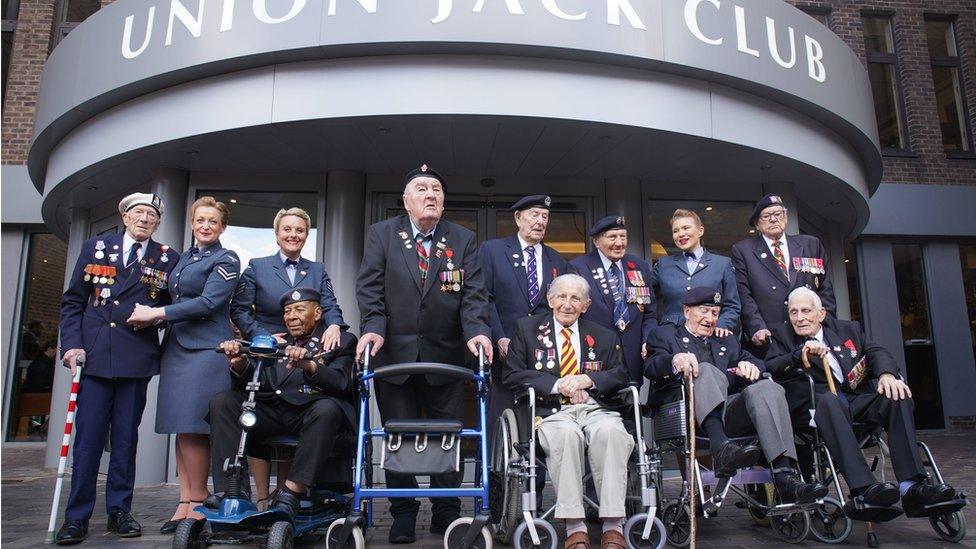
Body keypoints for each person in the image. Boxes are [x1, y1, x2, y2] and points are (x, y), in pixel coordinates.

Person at [356, 163, 492, 544]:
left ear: (444, 202)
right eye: (421, 188)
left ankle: (446, 510)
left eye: (436, 189)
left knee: (446, 434)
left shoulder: (463, 239)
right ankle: (402, 511)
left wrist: (478, 333)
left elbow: (474, 296)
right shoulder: (382, 234)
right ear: (406, 200)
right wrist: (372, 329)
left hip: (446, 356)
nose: (430, 194)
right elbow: (370, 290)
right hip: (393, 355)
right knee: (398, 433)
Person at [765, 287, 957, 517]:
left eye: (806, 310)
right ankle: (864, 489)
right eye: (793, 312)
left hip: (856, 401)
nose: (799, 317)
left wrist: (887, 375)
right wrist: (800, 353)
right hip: (816, 407)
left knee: (897, 396)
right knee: (831, 401)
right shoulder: (781, 336)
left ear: (822, 313)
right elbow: (771, 366)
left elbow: (876, 351)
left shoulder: (847, 329)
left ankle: (912, 488)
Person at [55, 192, 178, 544]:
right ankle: (77, 516)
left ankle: (119, 511)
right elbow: (73, 301)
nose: (145, 219)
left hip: (134, 358)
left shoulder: (166, 258)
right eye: (138, 212)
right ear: (124, 216)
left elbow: (170, 307)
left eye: (152, 215)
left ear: (157, 223)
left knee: (125, 439)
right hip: (93, 358)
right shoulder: (96, 248)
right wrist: (73, 345)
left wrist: (154, 320)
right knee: (88, 439)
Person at [645, 287, 825, 502]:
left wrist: (749, 365)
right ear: (686, 312)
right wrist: (675, 361)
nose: (710, 319)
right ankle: (721, 448)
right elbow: (652, 366)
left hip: (727, 415)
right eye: (704, 311)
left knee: (768, 387)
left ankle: (785, 476)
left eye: (714, 313)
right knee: (706, 370)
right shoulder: (665, 335)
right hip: (685, 415)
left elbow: (756, 361)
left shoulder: (726, 341)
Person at [126, 196, 240, 533]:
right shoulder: (183, 258)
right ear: (192, 223)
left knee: (196, 427)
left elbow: (208, 302)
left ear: (222, 227)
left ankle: (201, 502)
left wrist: (156, 314)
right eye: (200, 220)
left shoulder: (227, 259)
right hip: (176, 348)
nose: (205, 226)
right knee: (180, 427)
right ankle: (185, 499)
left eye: (213, 221)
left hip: (206, 352)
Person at [230, 206, 347, 508]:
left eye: (300, 230)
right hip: (267, 351)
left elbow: (329, 304)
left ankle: (285, 496)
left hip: (305, 348)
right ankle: (253, 495)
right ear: (277, 233)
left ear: (306, 236)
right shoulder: (257, 265)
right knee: (254, 408)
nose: (293, 235)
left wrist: (333, 324)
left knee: (300, 404)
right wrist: (261, 336)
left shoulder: (317, 269)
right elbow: (240, 309)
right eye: (288, 229)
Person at [504, 274, 631, 549]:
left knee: (611, 432)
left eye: (575, 298)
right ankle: (575, 526)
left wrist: (590, 380)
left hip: (595, 409)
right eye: (561, 296)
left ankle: (613, 525)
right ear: (550, 300)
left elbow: (621, 374)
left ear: (586, 305)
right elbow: (513, 374)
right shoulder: (527, 330)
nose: (567, 304)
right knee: (566, 436)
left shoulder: (603, 335)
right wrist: (556, 384)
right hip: (552, 412)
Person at [211, 287, 357, 518]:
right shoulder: (275, 341)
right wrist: (239, 364)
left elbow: (341, 382)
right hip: (274, 411)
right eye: (288, 311)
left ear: (318, 313)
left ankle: (290, 492)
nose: (291, 316)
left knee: (328, 408)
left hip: (311, 413)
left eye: (299, 309)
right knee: (224, 402)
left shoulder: (341, 340)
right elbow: (262, 382)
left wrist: (310, 367)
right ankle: (231, 491)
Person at [479, 194, 568, 433]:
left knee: (539, 424)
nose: (540, 221)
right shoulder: (493, 250)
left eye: (545, 216)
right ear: (518, 218)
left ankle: (534, 470)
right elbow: (484, 298)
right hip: (504, 352)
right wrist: (498, 337)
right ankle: (493, 470)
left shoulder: (556, 260)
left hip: (542, 356)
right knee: (499, 419)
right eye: (534, 215)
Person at [730, 194, 835, 356]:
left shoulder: (810, 244)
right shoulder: (744, 251)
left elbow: (825, 289)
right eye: (766, 216)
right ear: (757, 224)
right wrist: (757, 328)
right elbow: (744, 295)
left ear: (785, 218)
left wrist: (825, 325)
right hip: (771, 339)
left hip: (812, 336)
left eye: (778, 214)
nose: (773, 219)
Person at [568, 216, 656, 382]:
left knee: (632, 405)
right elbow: (572, 315)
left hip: (632, 357)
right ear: (596, 241)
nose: (619, 242)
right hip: (596, 355)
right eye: (612, 237)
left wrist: (647, 341)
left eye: (623, 236)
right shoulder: (579, 267)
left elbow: (650, 314)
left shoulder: (639, 266)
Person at [651, 209, 739, 336]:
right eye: (675, 231)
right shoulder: (663, 264)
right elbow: (645, 298)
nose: (681, 234)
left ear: (700, 230)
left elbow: (732, 304)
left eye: (686, 228)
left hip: (710, 336)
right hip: (670, 336)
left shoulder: (722, 264)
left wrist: (723, 324)